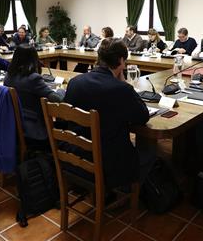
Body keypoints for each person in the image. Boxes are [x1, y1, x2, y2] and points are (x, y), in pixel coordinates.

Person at [64, 38, 151, 188]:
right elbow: (143, 116)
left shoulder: (75, 82)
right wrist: (125, 84)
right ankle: (128, 190)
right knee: (149, 153)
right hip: (108, 164)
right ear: (121, 61)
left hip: (74, 154)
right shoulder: (121, 89)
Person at [4, 45, 64, 151]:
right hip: (35, 126)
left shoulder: (9, 76)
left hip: (15, 124)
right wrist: (61, 91)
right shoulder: (33, 79)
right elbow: (57, 99)